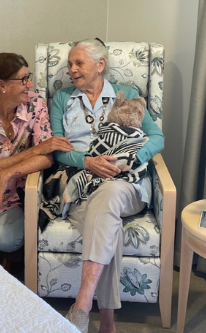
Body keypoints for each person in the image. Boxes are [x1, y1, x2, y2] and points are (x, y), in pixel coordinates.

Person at [52, 39, 164, 333]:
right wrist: (88, 161)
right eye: (70, 65)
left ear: (100, 65)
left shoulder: (127, 96)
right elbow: (58, 151)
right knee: (104, 221)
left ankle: (82, 302)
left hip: (128, 185)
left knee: (111, 192)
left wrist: (131, 158)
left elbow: (157, 138)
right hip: (83, 185)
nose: (72, 70)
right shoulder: (62, 99)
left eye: (79, 63)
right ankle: (107, 324)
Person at [0, 53, 73, 258]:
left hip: (15, 195)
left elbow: (47, 158)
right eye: (23, 79)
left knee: (4, 239)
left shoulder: (36, 104)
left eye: (29, 77)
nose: (30, 83)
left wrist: (7, 173)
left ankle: (12, 258)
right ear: (2, 84)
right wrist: (36, 149)